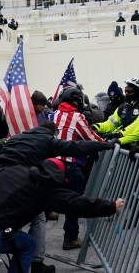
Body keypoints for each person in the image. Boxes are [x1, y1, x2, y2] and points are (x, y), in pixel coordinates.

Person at [0, 119, 113, 273]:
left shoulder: (17, 137)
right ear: (53, 133)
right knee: (38, 218)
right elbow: (76, 147)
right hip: (13, 178)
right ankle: (37, 263)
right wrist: (105, 144)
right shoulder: (47, 140)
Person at [52, 87, 106, 250]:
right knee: (73, 203)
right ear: (76, 101)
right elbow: (90, 137)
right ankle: (71, 238)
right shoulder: (77, 117)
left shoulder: (54, 114)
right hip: (70, 166)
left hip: (52, 163)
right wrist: (106, 143)